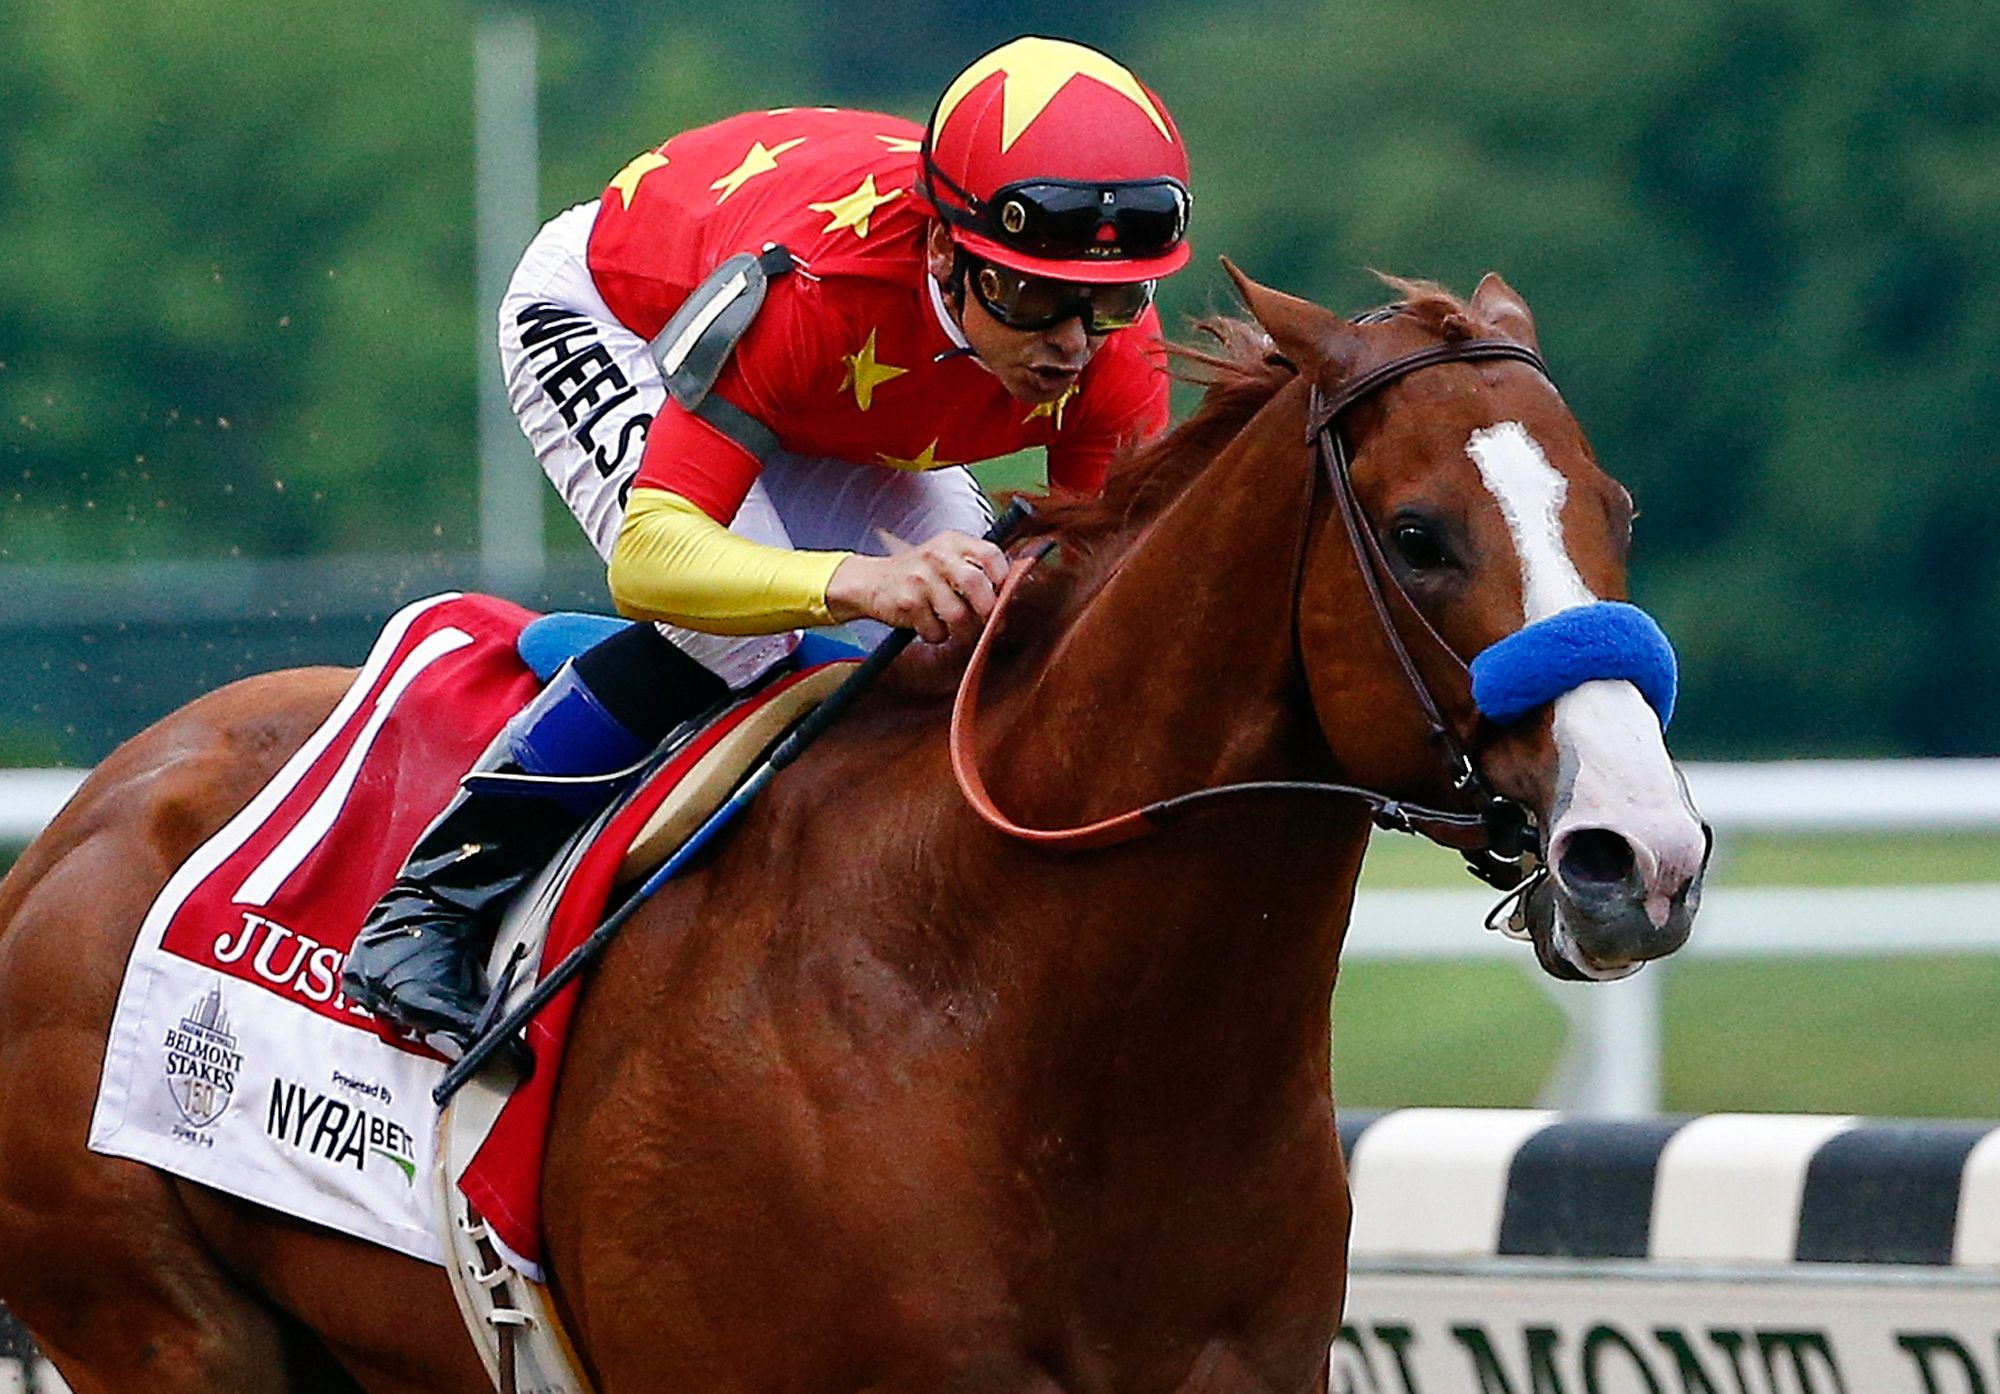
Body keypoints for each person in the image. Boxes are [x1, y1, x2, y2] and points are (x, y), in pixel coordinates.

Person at [340, 35, 1195, 1059]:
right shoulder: (817, 287)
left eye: (1108, 302)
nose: (1068, 344)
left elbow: (1107, 602)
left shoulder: (1110, 352)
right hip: (626, 319)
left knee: (968, 633)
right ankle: (428, 907)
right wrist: (860, 582)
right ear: (940, 252)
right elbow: (654, 558)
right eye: (1029, 297)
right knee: (731, 637)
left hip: (835, 392)